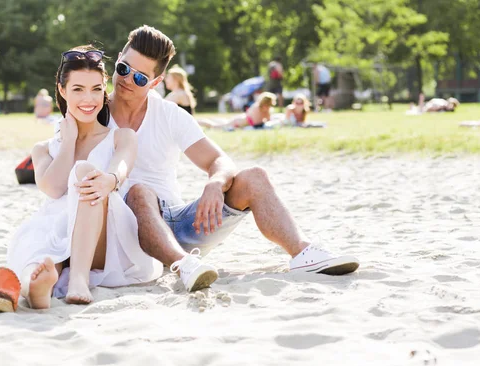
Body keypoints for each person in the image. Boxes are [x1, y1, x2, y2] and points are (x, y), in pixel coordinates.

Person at [106, 25, 360, 293]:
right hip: (127, 226)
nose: (127, 80)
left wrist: (215, 183)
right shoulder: (92, 112)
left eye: (141, 78)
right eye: (123, 69)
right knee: (139, 192)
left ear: (156, 83)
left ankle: (303, 252)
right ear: (118, 60)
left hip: (176, 225)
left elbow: (219, 160)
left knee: (254, 178)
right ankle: (183, 265)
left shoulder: (170, 114)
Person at [6, 46, 162, 309]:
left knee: (85, 173)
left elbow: (121, 166)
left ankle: (78, 278)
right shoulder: (43, 148)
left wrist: (109, 179)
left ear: (105, 91)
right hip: (56, 233)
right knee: (41, 245)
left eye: (96, 89)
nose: (88, 99)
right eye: (78, 89)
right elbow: (54, 189)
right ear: (63, 90)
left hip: (104, 239)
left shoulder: (121, 137)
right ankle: (36, 288)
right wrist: (68, 142)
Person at [197, 92, 276, 130]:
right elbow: (263, 122)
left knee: (222, 123)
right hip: (238, 122)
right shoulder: (260, 109)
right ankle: (198, 122)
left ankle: (201, 121)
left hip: (239, 120)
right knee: (215, 126)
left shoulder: (260, 108)